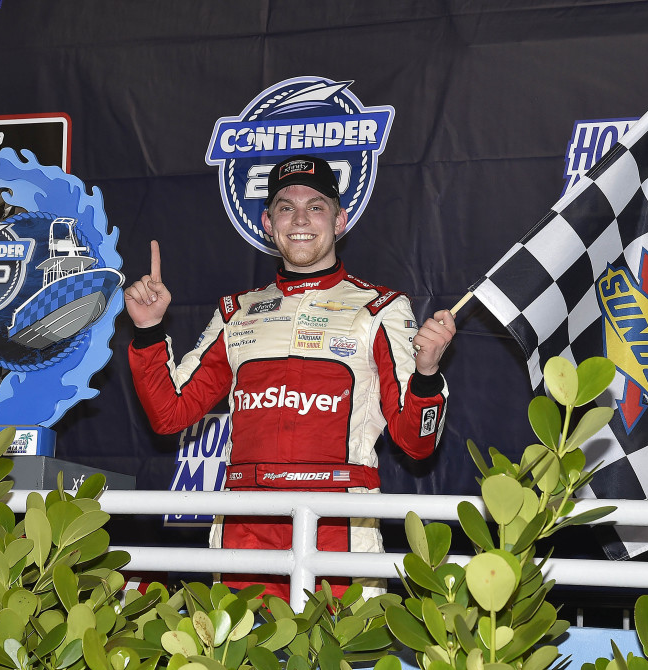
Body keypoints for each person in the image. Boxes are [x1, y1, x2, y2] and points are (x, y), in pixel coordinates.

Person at [126, 154, 456, 601]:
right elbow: (170, 414)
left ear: (339, 220)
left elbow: (417, 443)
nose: (300, 219)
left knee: (341, 647)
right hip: (245, 524)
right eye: (286, 207)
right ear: (267, 223)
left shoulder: (381, 308)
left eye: (315, 206)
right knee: (239, 647)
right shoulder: (236, 311)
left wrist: (428, 373)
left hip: (338, 522)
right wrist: (149, 331)